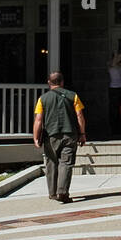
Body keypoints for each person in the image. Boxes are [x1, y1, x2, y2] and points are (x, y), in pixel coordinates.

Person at [33, 71, 87, 203]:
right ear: (62, 82)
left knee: (51, 163)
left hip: (51, 136)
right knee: (66, 163)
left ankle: (52, 193)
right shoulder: (73, 96)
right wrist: (82, 133)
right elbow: (79, 115)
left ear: (49, 83)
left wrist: (35, 137)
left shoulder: (43, 99)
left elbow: (38, 120)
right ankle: (62, 192)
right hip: (70, 134)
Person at [106, 50, 121, 136]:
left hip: (120, 87)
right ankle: (113, 129)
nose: (120, 58)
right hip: (113, 88)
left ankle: (120, 128)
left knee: (120, 109)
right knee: (114, 109)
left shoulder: (120, 65)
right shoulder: (110, 64)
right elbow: (113, 63)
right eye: (119, 56)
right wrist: (115, 55)